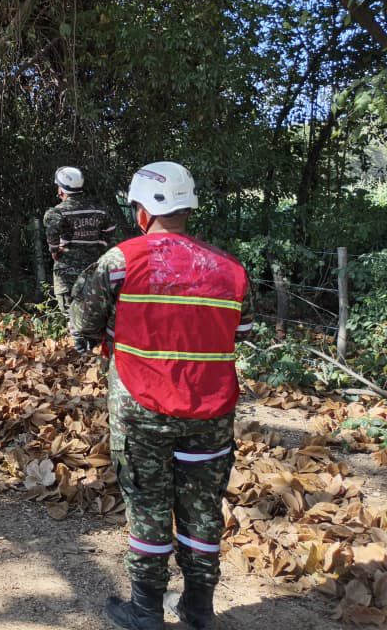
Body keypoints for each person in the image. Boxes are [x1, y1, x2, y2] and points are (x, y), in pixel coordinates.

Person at [71, 162, 253, 630]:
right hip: (211, 411)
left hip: (141, 408)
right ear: (187, 208)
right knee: (203, 509)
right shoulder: (231, 270)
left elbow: (83, 322)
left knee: (148, 507)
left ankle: (147, 610)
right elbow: (242, 333)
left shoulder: (120, 261)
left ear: (143, 211)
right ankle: (198, 608)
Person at [43, 165, 117, 352]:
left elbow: (52, 232)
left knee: (69, 309)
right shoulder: (99, 210)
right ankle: (93, 347)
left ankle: (80, 351)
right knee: (93, 307)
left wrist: (54, 251)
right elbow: (110, 230)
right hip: (94, 269)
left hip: (67, 269)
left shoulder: (58, 212)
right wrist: (100, 246)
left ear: (61, 189)